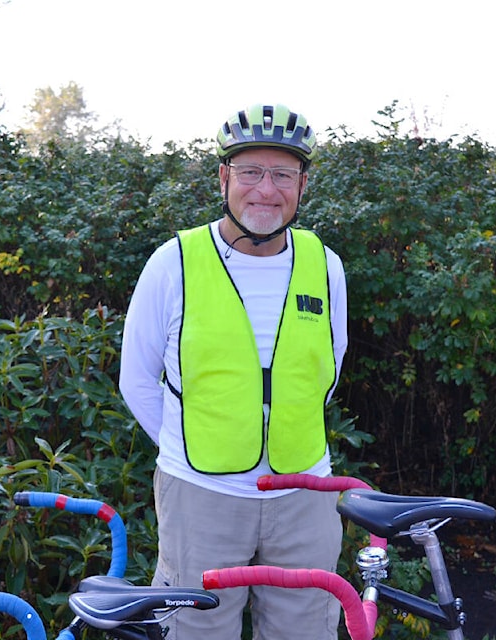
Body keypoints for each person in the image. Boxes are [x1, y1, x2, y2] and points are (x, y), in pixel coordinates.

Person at [119, 103, 348, 639]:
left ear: (302, 185)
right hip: (201, 497)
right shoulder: (173, 261)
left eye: (282, 174)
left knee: (306, 630)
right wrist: (190, 448)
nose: (265, 189)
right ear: (224, 177)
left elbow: (325, 374)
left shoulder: (325, 263)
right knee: (198, 631)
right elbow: (136, 379)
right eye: (250, 172)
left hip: (304, 492)